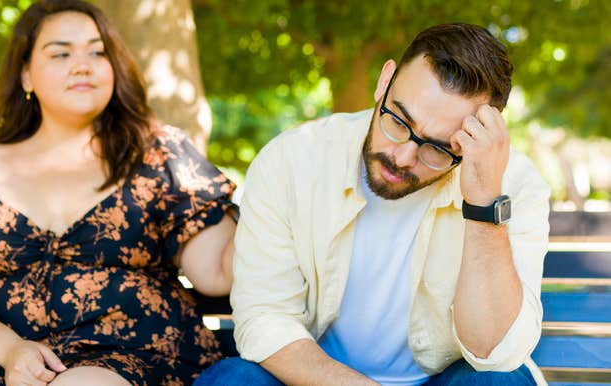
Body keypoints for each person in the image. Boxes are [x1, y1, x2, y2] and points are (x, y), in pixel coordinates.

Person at [196, 23, 550, 386]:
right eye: (398, 120)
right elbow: (265, 319)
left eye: (438, 148)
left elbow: (495, 352)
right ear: (385, 81)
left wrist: (484, 205)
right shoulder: (292, 160)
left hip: (440, 379)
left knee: (497, 383)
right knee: (233, 380)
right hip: (316, 377)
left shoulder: (513, 184)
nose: (403, 156)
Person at [0, 1, 237, 385]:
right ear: (26, 75)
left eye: (98, 52)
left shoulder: (159, 155)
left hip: (133, 357)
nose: (83, 64)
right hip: (2, 357)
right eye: (61, 53)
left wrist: (278, 198)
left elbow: (216, 272)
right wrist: (13, 351)